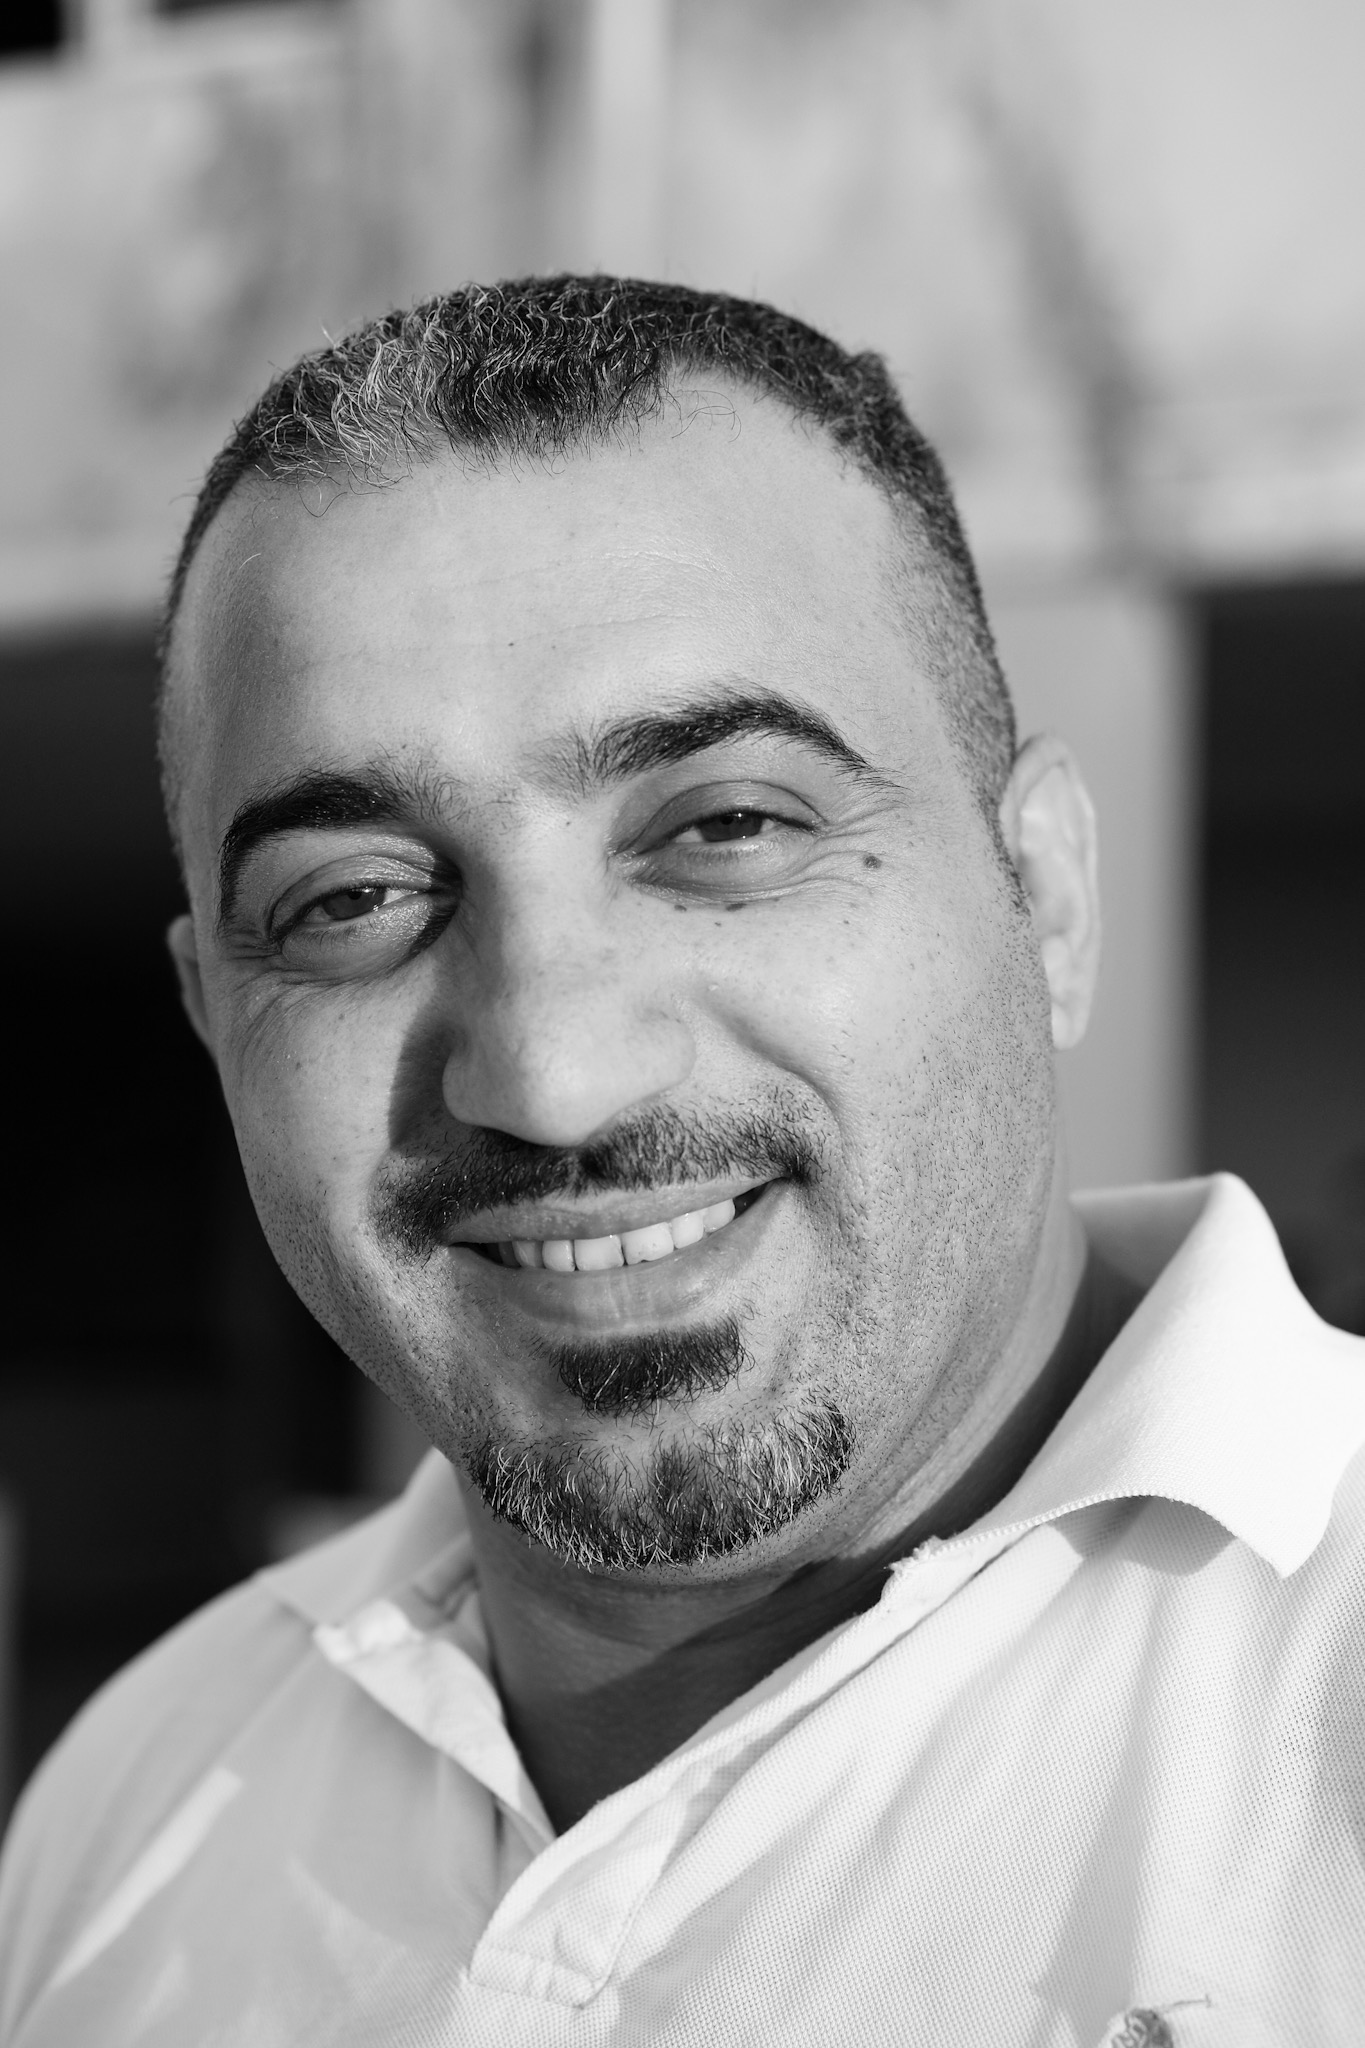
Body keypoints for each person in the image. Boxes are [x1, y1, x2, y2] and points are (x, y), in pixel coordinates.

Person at [1, 276, 1362, 2048]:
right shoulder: (132, 1801)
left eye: (724, 825)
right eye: (351, 900)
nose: (552, 1078)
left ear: (1043, 893)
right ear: (213, 1018)